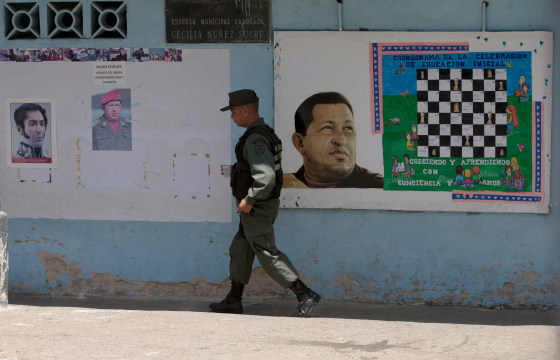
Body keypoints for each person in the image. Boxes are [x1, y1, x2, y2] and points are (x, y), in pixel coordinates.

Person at [210, 89, 321, 317]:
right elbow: (256, 168)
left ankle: (304, 293)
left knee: (266, 253)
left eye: (233, 112)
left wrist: (249, 200)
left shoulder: (256, 138)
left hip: (257, 206)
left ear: (245, 110)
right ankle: (234, 298)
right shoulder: (261, 133)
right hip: (257, 206)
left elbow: (266, 177)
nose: (232, 117)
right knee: (241, 248)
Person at [284, 92, 384, 188]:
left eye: (348, 128)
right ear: (300, 143)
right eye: (327, 128)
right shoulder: (284, 186)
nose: (341, 140)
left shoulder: (379, 187)